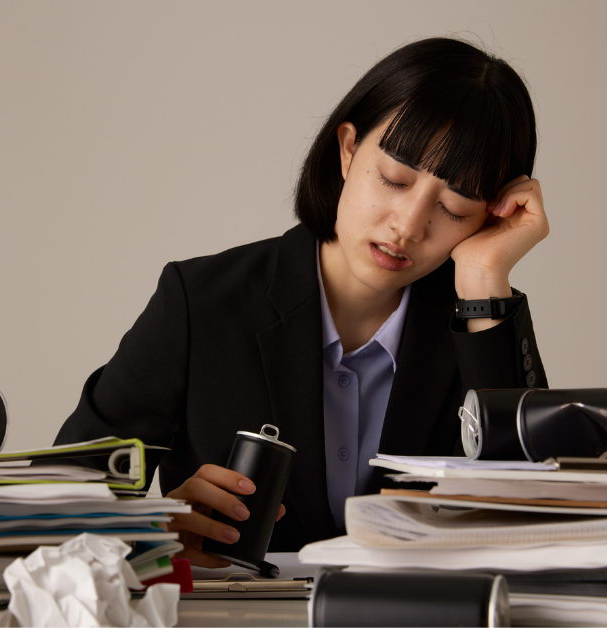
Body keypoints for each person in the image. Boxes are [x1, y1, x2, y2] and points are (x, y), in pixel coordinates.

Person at [52, 37, 549, 566]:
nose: (407, 226)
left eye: (453, 206)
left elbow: (529, 521)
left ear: (491, 215)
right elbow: (58, 509)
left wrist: (483, 275)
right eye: (394, 179)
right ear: (348, 148)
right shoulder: (200, 303)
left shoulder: (478, 329)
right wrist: (154, 533)